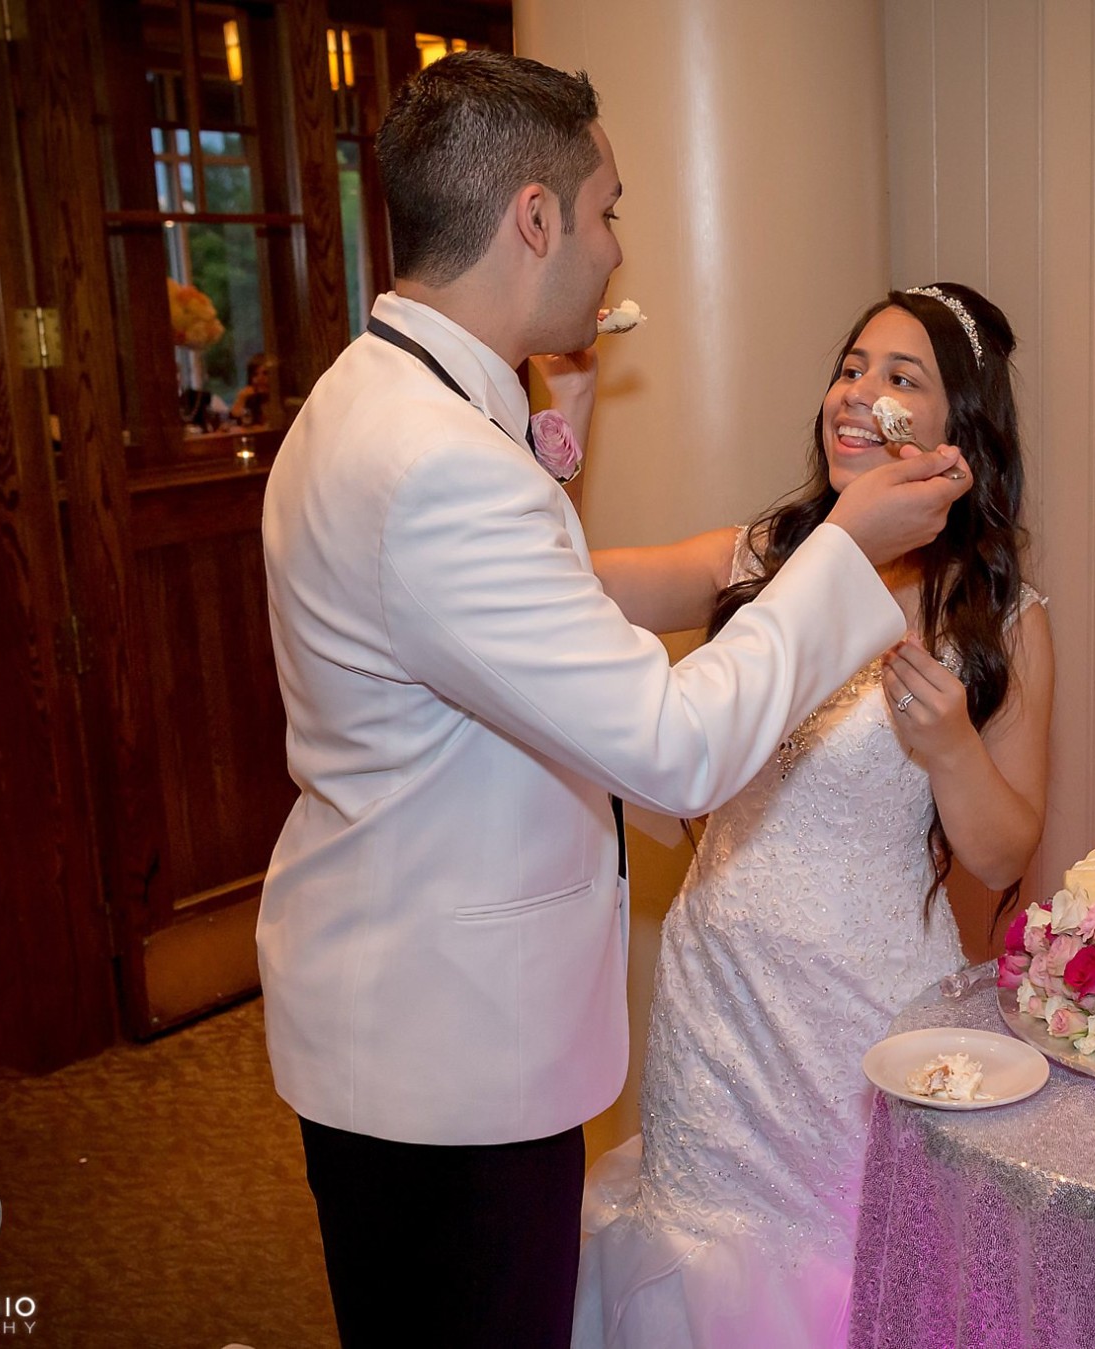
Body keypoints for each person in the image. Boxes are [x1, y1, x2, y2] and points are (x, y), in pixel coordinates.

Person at [256, 53, 973, 1349]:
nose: (616, 246)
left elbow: (518, 616)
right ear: (534, 218)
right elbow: (670, 747)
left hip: (412, 1007)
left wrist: (749, 531)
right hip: (445, 1063)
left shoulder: (376, 395)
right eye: (608, 211)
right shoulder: (435, 468)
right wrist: (845, 550)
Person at [572, 283, 1053, 1349]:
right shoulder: (759, 558)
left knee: (855, 1262)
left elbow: (1003, 848)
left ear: (956, 431)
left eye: (898, 376)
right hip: (720, 1000)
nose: (856, 392)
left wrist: (948, 750)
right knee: (704, 1254)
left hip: (868, 1012)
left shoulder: (998, 616)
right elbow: (572, 588)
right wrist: (546, 430)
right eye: (849, 367)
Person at [230, 352, 277, 427]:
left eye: (265, 373)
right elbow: (233, 422)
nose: (260, 379)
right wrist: (241, 398)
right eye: (255, 374)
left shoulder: (279, 402)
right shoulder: (252, 401)